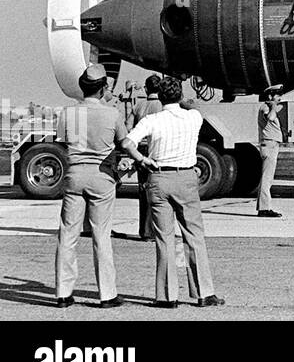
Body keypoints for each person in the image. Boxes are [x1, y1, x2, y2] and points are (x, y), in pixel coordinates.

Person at [120, 75, 224, 308]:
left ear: (159, 96)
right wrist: (183, 99)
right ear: (178, 95)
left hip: (158, 177)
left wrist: (142, 159)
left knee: (164, 238)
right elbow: (192, 105)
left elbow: (127, 142)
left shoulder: (152, 120)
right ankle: (204, 293)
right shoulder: (193, 117)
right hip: (186, 176)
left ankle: (167, 296)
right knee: (193, 235)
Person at [54, 64, 127, 308]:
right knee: (101, 235)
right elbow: (122, 143)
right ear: (103, 87)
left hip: (74, 175)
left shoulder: (69, 113)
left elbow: (65, 144)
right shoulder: (112, 114)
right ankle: (107, 294)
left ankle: (63, 293)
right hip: (101, 177)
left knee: (68, 234)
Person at [131, 74, 164, 241]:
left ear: (146, 88)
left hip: (141, 150)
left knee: (143, 191)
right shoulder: (163, 106)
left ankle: (144, 231)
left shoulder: (139, 105)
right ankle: (156, 230)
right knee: (158, 192)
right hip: (157, 150)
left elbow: (129, 128)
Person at [257, 86, 284, 217]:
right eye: (277, 95)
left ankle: (263, 207)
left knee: (267, 178)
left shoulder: (267, 106)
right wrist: (273, 106)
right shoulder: (266, 107)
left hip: (271, 144)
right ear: (270, 96)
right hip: (269, 145)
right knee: (266, 179)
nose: (280, 97)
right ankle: (264, 209)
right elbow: (271, 117)